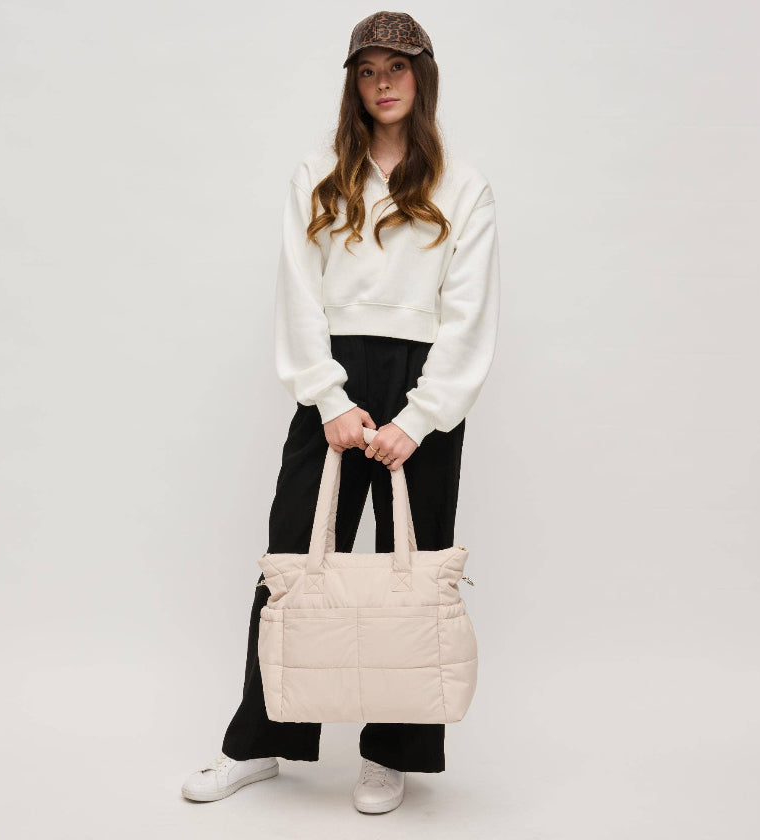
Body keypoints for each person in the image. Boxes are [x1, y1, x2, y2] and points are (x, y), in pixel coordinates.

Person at [181, 10, 500, 814]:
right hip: (336, 379)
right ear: (353, 84)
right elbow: (298, 295)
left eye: (398, 68)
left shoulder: (463, 186)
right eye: (368, 71)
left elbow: (469, 317)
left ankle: (390, 751)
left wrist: (419, 419)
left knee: (411, 571)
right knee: (292, 562)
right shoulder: (318, 173)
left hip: (423, 382)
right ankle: (259, 742)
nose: (383, 83)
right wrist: (327, 397)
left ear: (423, 77)